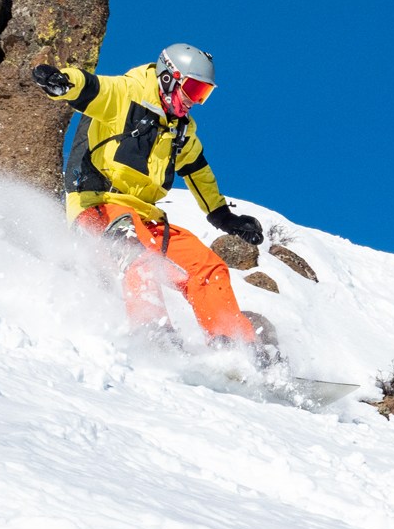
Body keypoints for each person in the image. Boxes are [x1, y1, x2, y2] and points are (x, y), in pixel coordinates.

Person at [32, 43, 264, 347]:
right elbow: (92, 87)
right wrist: (61, 82)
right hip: (100, 206)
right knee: (136, 255)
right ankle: (154, 336)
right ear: (169, 77)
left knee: (208, 266)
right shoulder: (127, 94)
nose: (195, 101)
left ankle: (236, 347)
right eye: (193, 89)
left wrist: (223, 216)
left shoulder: (180, 130)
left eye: (203, 94)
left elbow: (197, 172)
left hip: (145, 218)